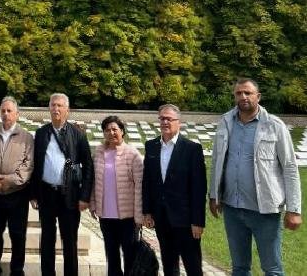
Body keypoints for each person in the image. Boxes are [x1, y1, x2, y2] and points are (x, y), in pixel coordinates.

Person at [209, 78, 302, 275]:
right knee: (240, 267)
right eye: (238, 93)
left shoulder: (274, 125)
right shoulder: (225, 122)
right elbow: (217, 160)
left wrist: (294, 209)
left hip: (265, 211)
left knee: (272, 268)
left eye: (248, 93)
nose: (243, 97)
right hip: (233, 209)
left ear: (258, 96)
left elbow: (290, 168)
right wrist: (213, 195)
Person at [31, 92, 94, 276]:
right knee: (47, 240)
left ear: (68, 109)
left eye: (60, 105)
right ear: (49, 108)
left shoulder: (78, 134)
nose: (56, 109)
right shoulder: (41, 133)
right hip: (47, 195)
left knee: (70, 242)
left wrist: (85, 196)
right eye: (53, 105)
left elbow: (88, 167)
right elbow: (37, 164)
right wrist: (34, 194)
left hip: (70, 196)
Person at [142, 104, 205, 276]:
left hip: (185, 220)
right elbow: (147, 181)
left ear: (179, 122)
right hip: (161, 217)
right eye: (162, 118)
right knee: (169, 265)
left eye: (169, 118)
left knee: (193, 266)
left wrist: (198, 221)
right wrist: (147, 211)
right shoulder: (151, 146)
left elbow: (199, 188)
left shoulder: (192, 149)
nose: (165, 122)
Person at [0, 96, 34, 276]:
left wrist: (10, 180)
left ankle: (17, 270)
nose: (5, 114)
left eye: (9, 111)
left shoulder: (26, 138)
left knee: (18, 235)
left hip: (17, 195)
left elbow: (28, 166)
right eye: (3, 110)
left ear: (17, 114)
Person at [89, 115, 143, 276]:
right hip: (106, 215)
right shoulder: (98, 153)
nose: (111, 133)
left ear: (122, 131)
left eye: (114, 129)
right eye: (107, 130)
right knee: (111, 256)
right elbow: (93, 181)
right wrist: (93, 204)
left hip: (128, 217)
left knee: (130, 256)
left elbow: (140, 186)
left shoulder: (133, 154)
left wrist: (139, 216)